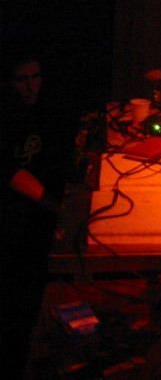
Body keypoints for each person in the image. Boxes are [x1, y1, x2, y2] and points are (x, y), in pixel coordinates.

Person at [1, 47, 75, 375]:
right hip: (15, 215)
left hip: (40, 208)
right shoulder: (6, 116)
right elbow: (11, 172)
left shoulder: (44, 110)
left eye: (36, 77)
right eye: (22, 79)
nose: (31, 86)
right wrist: (56, 207)